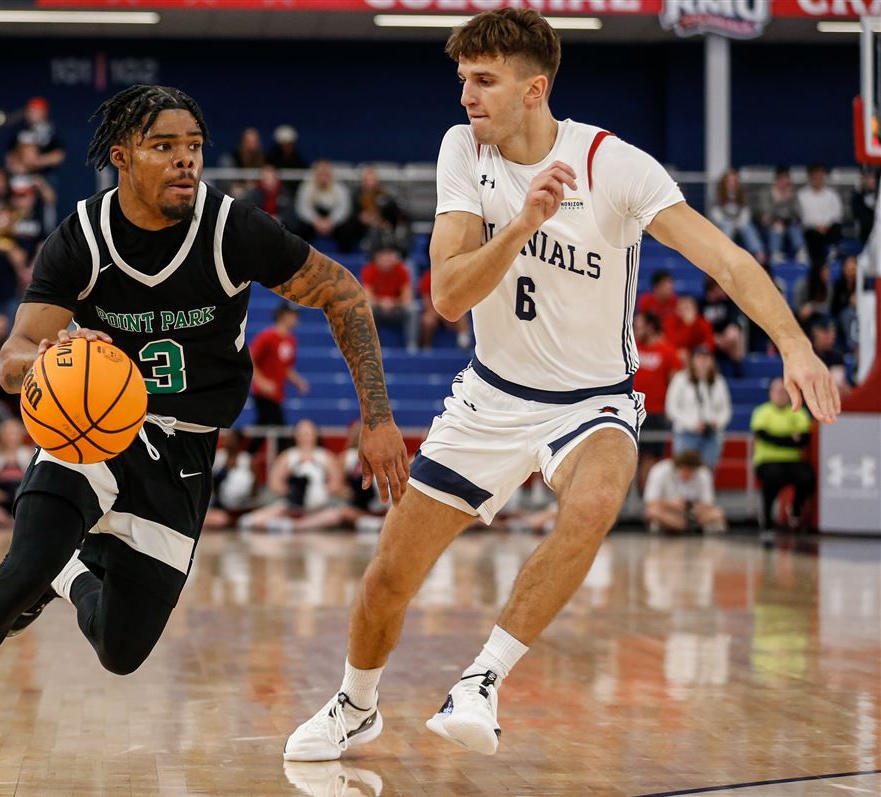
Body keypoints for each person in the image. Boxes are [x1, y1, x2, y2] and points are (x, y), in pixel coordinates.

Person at [285, 8, 838, 763]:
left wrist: (796, 345)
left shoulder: (615, 164)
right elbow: (447, 296)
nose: (466, 97)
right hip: (490, 396)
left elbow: (728, 261)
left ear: (533, 88)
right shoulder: (463, 153)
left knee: (598, 500)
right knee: (388, 577)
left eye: (483, 81)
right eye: (462, 81)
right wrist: (522, 223)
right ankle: (355, 705)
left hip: (592, 400)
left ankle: (481, 679)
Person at [0, 84, 408, 793]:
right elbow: (11, 360)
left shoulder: (230, 229)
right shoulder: (83, 237)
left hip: (182, 448)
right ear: (122, 157)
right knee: (18, 569)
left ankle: (70, 574)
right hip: (87, 433)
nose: (186, 162)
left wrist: (378, 418)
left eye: (194, 148)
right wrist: (55, 353)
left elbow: (343, 291)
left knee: (121, 651)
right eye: (164, 148)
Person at [237, 419, 348, 532]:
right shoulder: (287, 456)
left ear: (315, 435)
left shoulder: (326, 456)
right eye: (302, 433)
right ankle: (288, 522)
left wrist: (316, 492)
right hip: (290, 505)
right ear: (296, 435)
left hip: (319, 506)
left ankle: (295, 526)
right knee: (251, 521)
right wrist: (292, 492)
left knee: (334, 516)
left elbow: (336, 483)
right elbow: (275, 484)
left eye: (309, 433)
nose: (306, 437)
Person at [751, 378, 815, 530]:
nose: (781, 394)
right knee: (772, 478)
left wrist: (777, 438)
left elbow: (804, 439)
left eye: (784, 391)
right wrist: (790, 438)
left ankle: (795, 509)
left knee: (808, 477)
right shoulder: (762, 412)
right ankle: (767, 517)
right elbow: (763, 436)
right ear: (770, 393)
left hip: (793, 460)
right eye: (777, 391)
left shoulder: (798, 411)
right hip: (767, 460)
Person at [632, 312, 681, 492]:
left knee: (649, 458)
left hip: (655, 412)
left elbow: (675, 383)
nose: (636, 329)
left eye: (640, 326)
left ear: (651, 327)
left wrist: (671, 409)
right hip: (630, 411)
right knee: (627, 456)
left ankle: (645, 502)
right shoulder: (631, 346)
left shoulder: (667, 352)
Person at [664, 346, 731, 471]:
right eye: (699, 358)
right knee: (684, 470)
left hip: (711, 434)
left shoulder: (718, 381)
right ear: (692, 360)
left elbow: (726, 409)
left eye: (706, 358)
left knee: (707, 472)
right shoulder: (680, 379)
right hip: (686, 433)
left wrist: (717, 422)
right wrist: (691, 424)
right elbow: (671, 408)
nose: (703, 362)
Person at [249, 304, 308, 427]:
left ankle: (238, 442)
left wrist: (298, 381)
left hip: (277, 393)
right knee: (279, 428)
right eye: (293, 315)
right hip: (264, 394)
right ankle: (238, 441)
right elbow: (250, 359)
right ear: (283, 316)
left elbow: (286, 367)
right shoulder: (267, 337)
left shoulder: (291, 340)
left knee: (263, 426)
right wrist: (261, 382)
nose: (296, 318)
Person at [642, 450, 725, 534]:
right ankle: (681, 527)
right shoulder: (660, 470)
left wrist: (694, 507)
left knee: (717, 513)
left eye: (691, 471)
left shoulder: (703, 473)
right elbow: (650, 502)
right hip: (668, 512)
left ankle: (681, 527)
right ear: (677, 466)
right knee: (652, 512)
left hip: (693, 515)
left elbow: (708, 503)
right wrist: (670, 504)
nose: (687, 474)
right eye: (685, 469)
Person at [361, 245, 419, 352]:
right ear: (376, 257)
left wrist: (392, 302)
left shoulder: (402, 270)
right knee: (366, 309)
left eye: (389, 255)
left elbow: (407, 296)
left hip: (397, 309)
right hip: (378, 309)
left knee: (412, 309)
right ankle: (367, 346)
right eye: (383, 255)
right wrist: (382, 302)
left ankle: (412, 346)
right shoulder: (369, 270)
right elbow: (367, 297)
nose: (386, 258)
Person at [709, 168, 764, 264]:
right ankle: (723, 254)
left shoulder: (743, 195)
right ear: (724, 182)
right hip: (723, 223)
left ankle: (759, 253)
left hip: (739, 222)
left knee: (748, 227)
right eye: (729, 181)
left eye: (734, 181)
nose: (732, 183)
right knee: (728, 227)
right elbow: (715, 214)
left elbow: (746, 212)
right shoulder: (718, 195)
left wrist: (738, 223)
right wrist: (729, 222)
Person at [294, 161, 352, 249]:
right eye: (321, 175)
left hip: (333, 221)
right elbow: (303, 208)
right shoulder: (306, 187)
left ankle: (345, 256)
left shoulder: (340, 188)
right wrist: (316, 221)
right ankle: (304, 253)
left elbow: (343, 209)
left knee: (346, 229)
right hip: (313, 221)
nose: (323, 178)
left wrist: (331, 222)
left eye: (326, 175)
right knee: (300, 227)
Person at [797, 163, 842, 270]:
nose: (817, 178)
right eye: (814, 175)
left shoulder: (832, 195)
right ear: (809, 176)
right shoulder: (802, 195)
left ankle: (832, 251)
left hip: (829, 229)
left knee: (836, 227)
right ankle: (816, 263)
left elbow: (837, 215)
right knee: (812, 234)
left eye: (820, 175)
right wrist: (817, 226)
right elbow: (803, 217)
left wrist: (825, 226)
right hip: (811, 230)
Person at [759, 166, 807, 264]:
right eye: (782, 179)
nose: (785, 182)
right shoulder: (767, 192)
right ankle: (775, 253)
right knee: (777, 227)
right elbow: (766, 216)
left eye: (787, 179)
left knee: (794, 226)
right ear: (777, 179)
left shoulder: (792, 193)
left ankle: (800, 251)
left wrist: (790, 200)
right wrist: (779, 201)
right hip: (771, 224)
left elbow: (799, 214)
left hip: (789, 222)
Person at [418, 268, 471, 349]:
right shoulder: (428, 277)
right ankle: (426, 348)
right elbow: (427, 304)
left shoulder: (453, 278)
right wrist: (442, 314)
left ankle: (464, 345)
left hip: (449, 310)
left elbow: (457, 300)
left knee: (462, 317)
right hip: (434, 312)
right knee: (427, 321)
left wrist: (449, 314)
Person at [663, 294, 714, 360]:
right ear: (676, 309)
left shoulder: (703, 322)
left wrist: (691, 353)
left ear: (695, 309)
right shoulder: (670, 322)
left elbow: (710, 344)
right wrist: (676, 352)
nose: (684, 311)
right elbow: (669, 342)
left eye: (687, 308)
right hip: (677, 356)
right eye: (681, 308)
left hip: (697, 356)